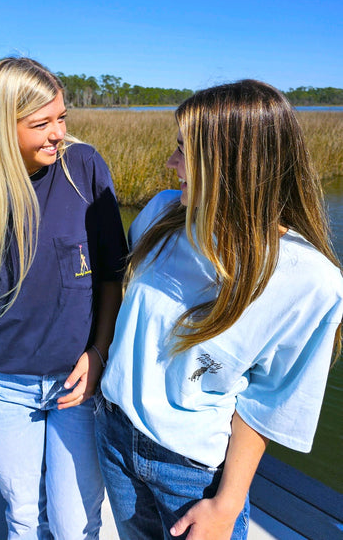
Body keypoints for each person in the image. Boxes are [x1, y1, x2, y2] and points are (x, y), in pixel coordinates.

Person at [96, 79, 343, 540]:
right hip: (114, 434)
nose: (171, 165)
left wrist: (226, 506)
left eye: (184, 152)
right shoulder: (161, 217)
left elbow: (270, 401)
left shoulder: (311, 282)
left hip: (190, 473)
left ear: (232, 163)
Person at [0, 57, 127, 539]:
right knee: (22, 516)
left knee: (75, 524)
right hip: (3, 384)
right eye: (41, 123)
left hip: (79, 383)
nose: (57, 133)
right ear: (1, 127)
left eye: (62, 118)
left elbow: (113, 275)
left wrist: (99, 353)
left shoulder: (83, 167)